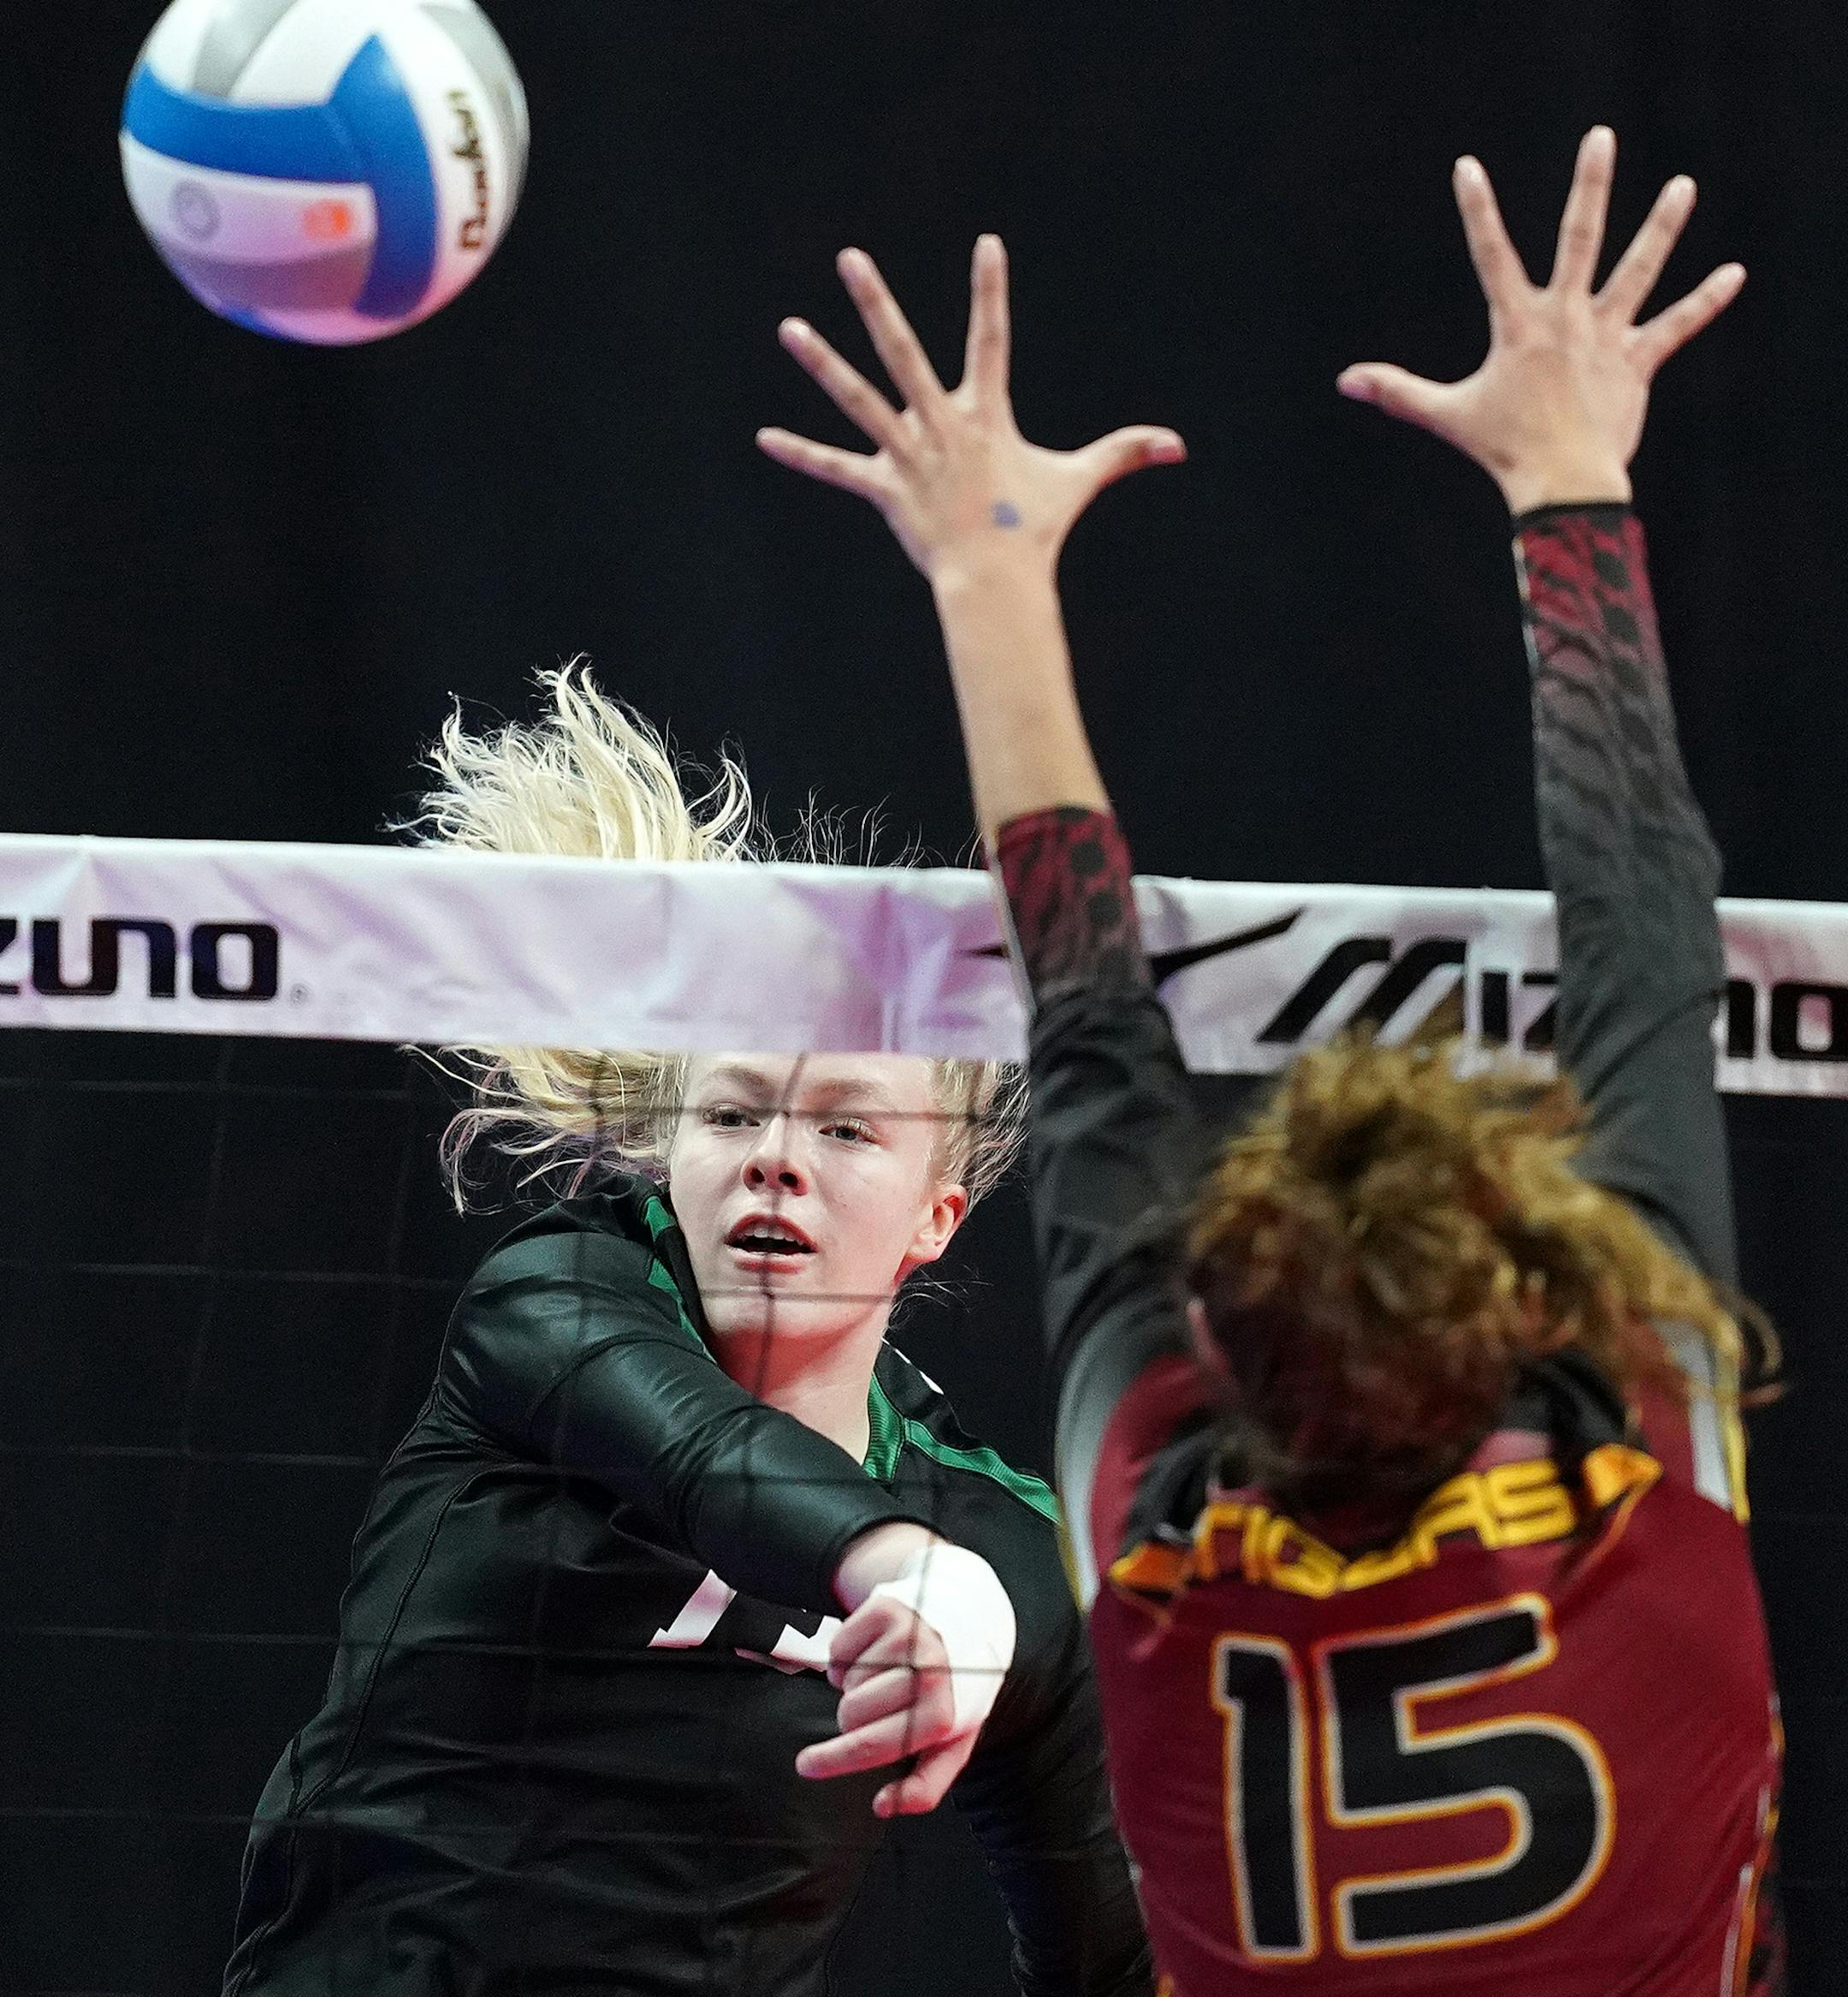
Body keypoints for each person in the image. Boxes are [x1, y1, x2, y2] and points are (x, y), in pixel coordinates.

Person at [762, 129, 1784, 1994]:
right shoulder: (1625, 1457)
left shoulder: (1184, 1566)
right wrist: (1572, 478)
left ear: (1225, 1346)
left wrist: (988, 574)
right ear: (1520, 1290)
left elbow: (1088, 1026)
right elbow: (1098, 1031)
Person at [223, 679, 1152, 1995]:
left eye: (844, 1127)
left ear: (935, 1216)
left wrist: (969, 1586)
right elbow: (710, 1457)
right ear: (672, 1155)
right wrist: (907, 1569)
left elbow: (1106, 1957)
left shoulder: (1002, 1538)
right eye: (730, 1116)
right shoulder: (556, 1304)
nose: (776, 1160)